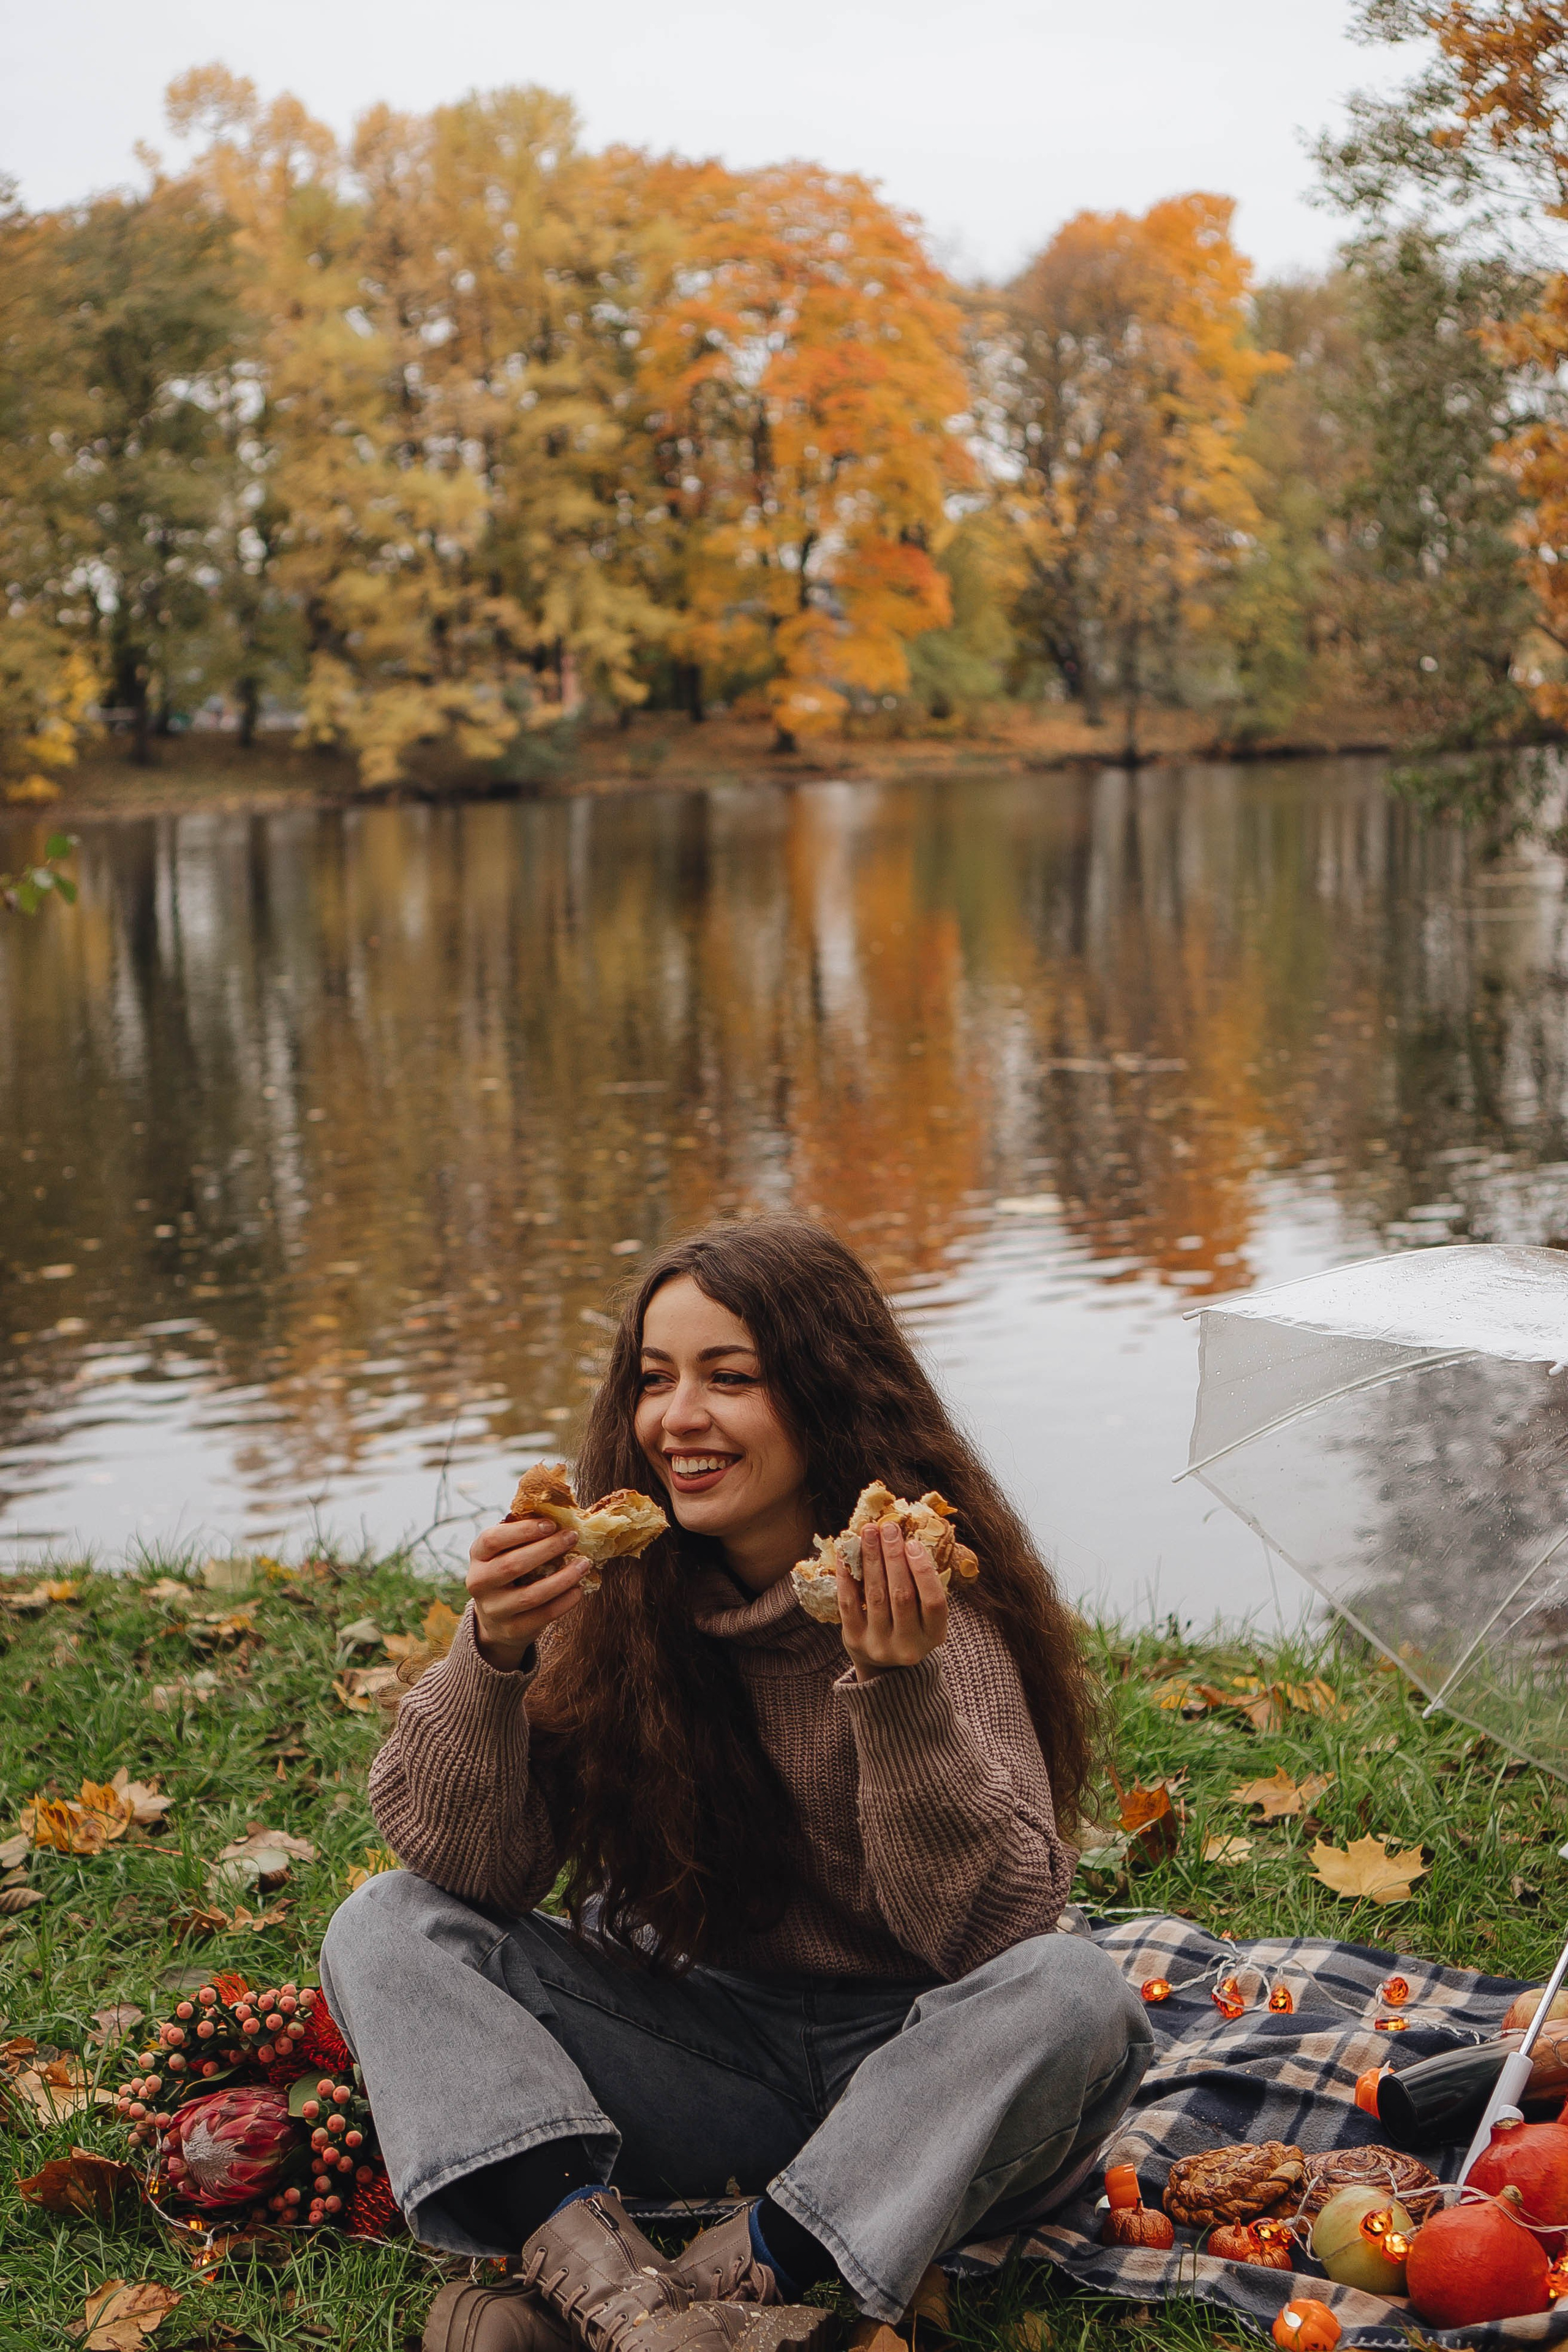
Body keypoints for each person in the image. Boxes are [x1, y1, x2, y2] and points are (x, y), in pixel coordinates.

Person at [321, 1217, 1152, 2352]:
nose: (677, 1418)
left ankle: (732, 2279)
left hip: (922, 2094)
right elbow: (473, 1869)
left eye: (730, 1378)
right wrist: (494, 1655)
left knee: (1076, 1994)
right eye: (654, 1378)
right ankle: (623, 2300)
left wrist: (899, 1693)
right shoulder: (613, 1598)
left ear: (826, 1395)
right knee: (385, 1923)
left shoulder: (927, 1609)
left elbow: (991, 1934)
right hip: (703, 2057)